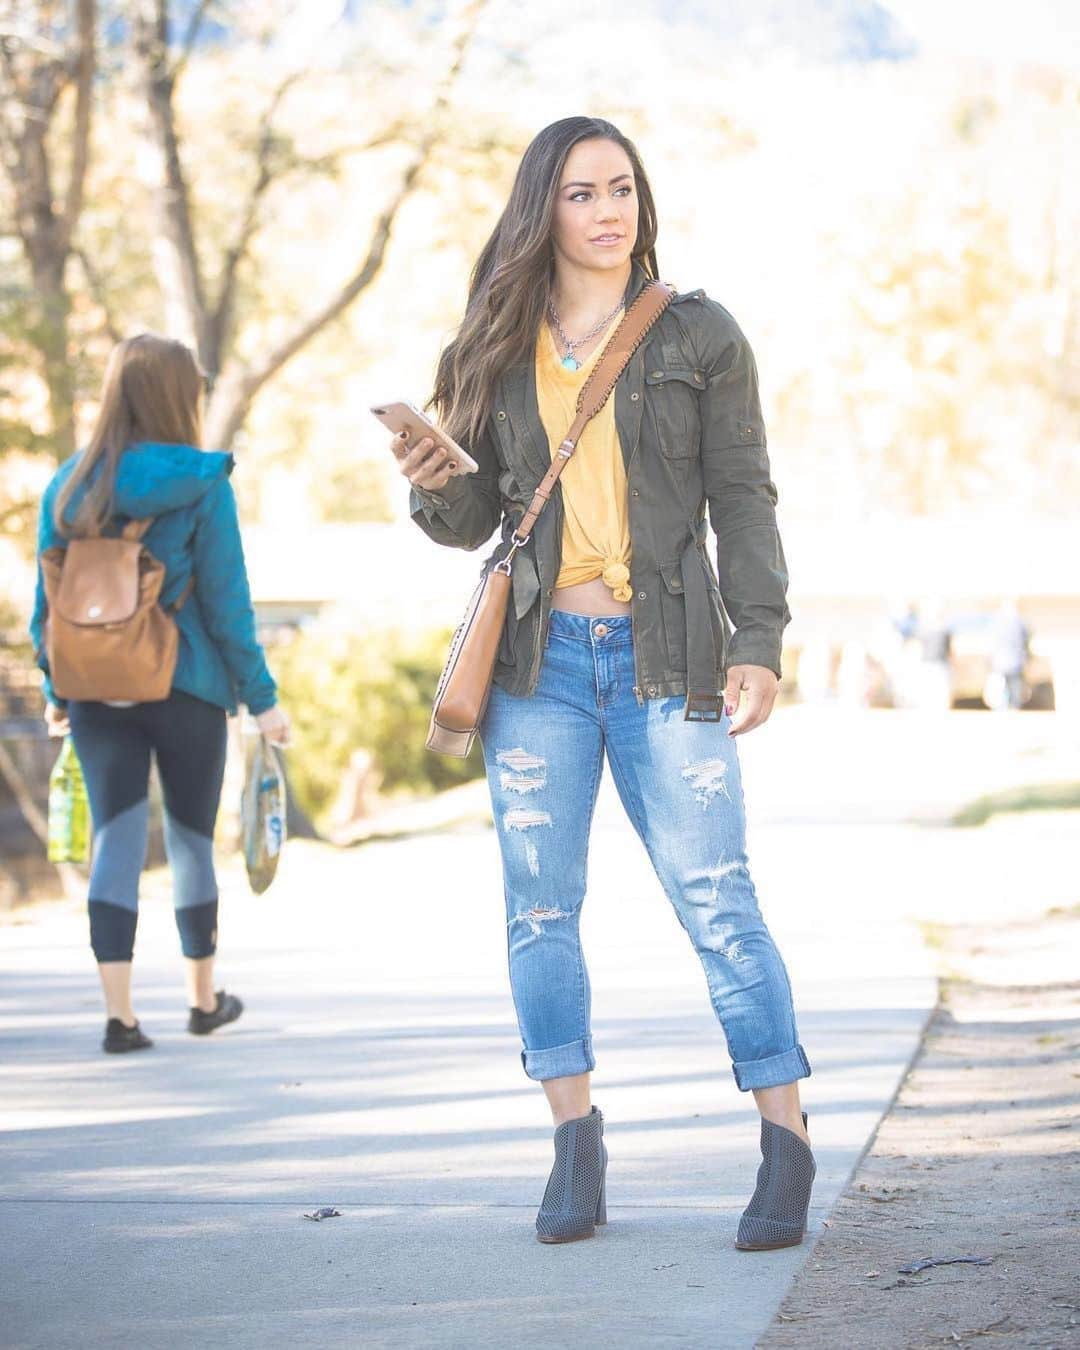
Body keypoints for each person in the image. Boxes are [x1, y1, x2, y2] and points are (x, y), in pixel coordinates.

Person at [396, 117, 814, 1249]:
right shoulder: (494, 343)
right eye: (581, 193)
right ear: (546, 210)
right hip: (540, 669)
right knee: (540, 910)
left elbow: (745, 496)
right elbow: (477, 520)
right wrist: (434, 480)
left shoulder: (699, 335)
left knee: (719, 901)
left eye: (621, 187)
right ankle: (574, 1142)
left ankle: (785, 1139)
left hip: (666, 659)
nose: (607, 208)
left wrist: (759, 639)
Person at [29, 334, 290, 1055]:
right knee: (189, 838)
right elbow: (228, 606)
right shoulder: (203, 482)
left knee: (115, 836)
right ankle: (202, 1001)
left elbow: (43, 603)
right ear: (182, 397)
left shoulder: (68, 485)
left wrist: (57, 687)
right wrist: (262, 699)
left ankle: (120, 1017)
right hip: (188, 683)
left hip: (92, 687)